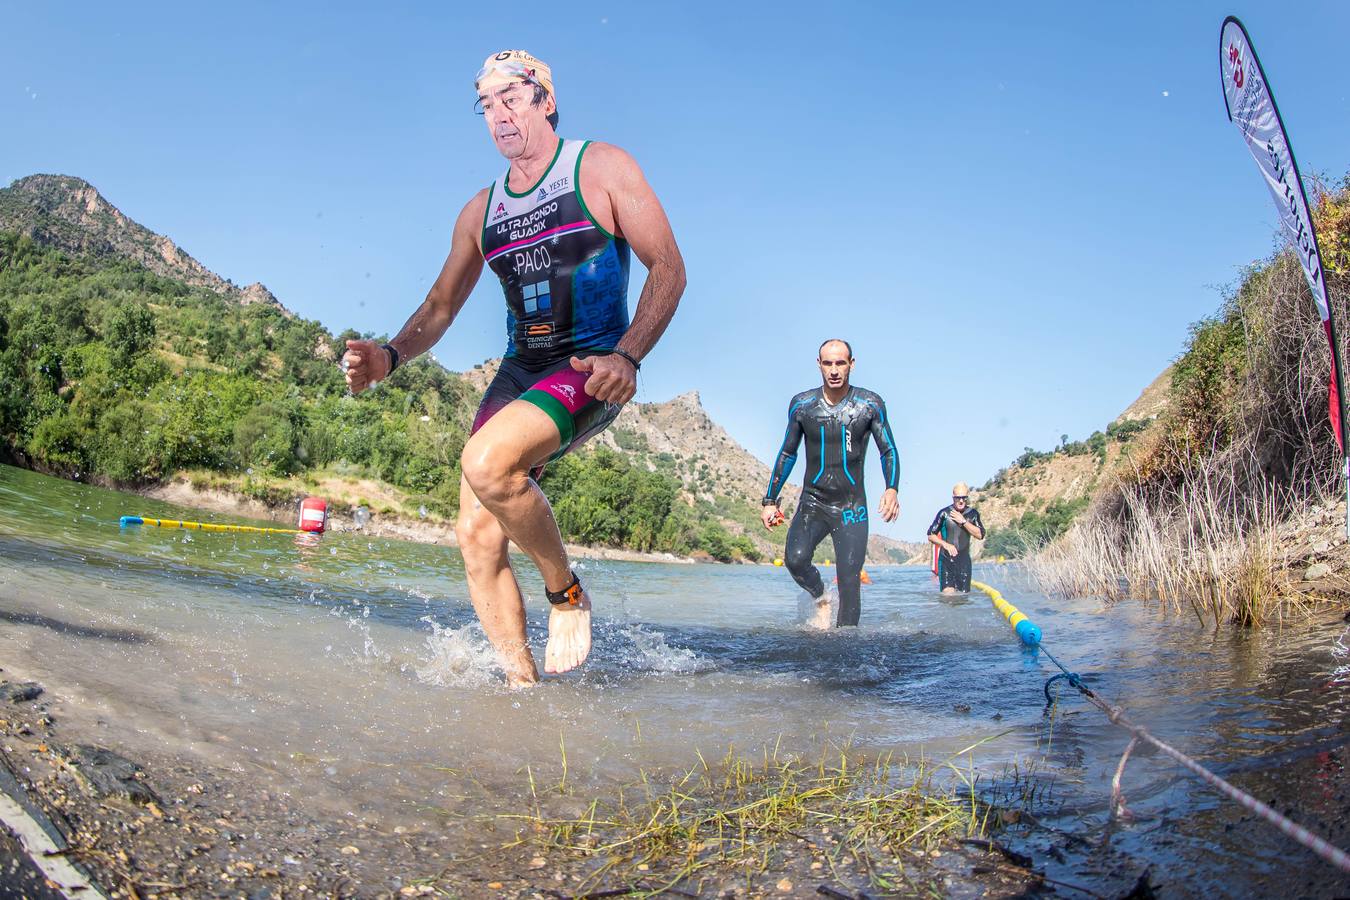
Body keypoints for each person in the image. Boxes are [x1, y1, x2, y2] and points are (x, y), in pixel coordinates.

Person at [343, 50, 685, 686]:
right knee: (475, 533)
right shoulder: (481, 211)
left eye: (510, 98)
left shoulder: (601, 167)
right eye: (485, 104)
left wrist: (628, 354)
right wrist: (389, 355)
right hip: (521, 370)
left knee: (484, 461)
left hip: (591, 365)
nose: (497, 114)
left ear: (545, 101)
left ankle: (566, 592)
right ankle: (522, 692)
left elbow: (669, 267)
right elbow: (442, 306)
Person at [760, 340, 900, 627]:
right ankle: (821, 595)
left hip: (852, 507)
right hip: (813, 502)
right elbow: (788, 452)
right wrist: (770, 500)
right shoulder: (803, 406)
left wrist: (891, 488)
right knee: (795, 560)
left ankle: (846, 652)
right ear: (819, 364)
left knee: (850, 581)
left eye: (840, 363)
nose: (834, 370)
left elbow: (888, 449)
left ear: (852, 364)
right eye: (828, 363)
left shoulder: (869, 404)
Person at [926, 483, 984, 594]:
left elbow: (980, 534)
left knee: (963, 599)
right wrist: (945, 545)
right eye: (958, 498)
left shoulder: (973, 514)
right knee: (949, 597)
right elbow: (930, 535)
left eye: (964, 498)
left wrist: (963, 521)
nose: (961, 501)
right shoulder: (944, 513)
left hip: (964, 563)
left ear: (967, 496)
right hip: (946, 561)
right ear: (953, 497)